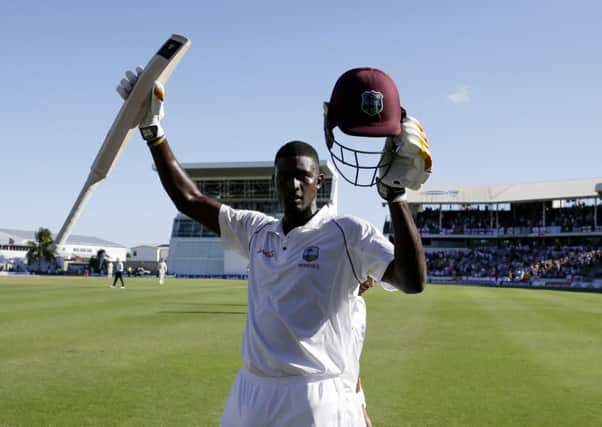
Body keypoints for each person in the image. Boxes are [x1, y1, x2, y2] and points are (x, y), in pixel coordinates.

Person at [116, 66, 431, 426]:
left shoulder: (348, 233)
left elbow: (412, 280)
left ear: (319, 182)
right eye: (286, 176)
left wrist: (395, 198)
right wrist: (153, 132)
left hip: (315, 396)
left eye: (303, 176)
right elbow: (189, 199)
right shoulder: (256, 230)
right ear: (275, 180)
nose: (294, 185)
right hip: (252, 390)